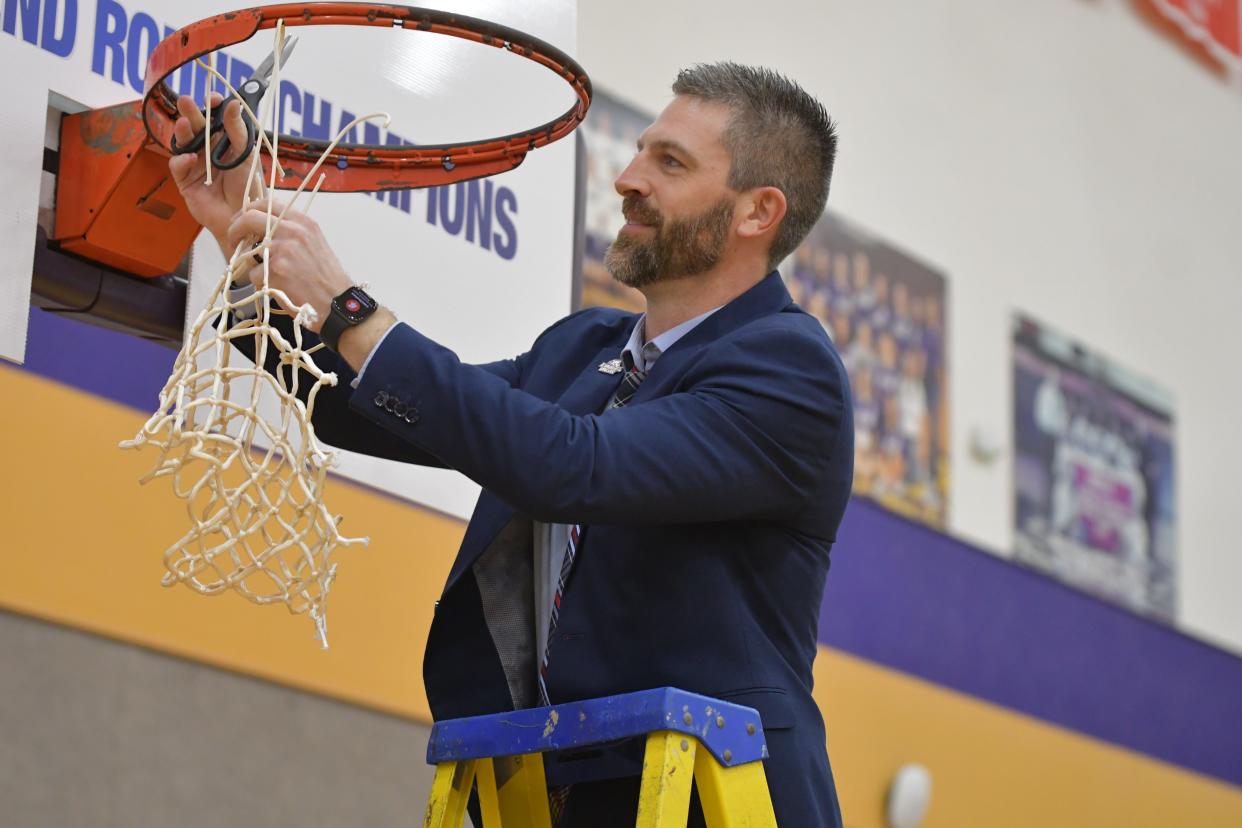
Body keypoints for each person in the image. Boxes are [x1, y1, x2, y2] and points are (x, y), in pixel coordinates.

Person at [170, 62, 853, 828]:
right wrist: (247, 254)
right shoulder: (582, 345)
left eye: (670, 162)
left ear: (758, 211)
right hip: (561, 790)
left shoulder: (790, 369)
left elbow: (573, 464)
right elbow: (369, 408)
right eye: (639, 153)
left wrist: (350, 307)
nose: (627, 178)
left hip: (714, 796)